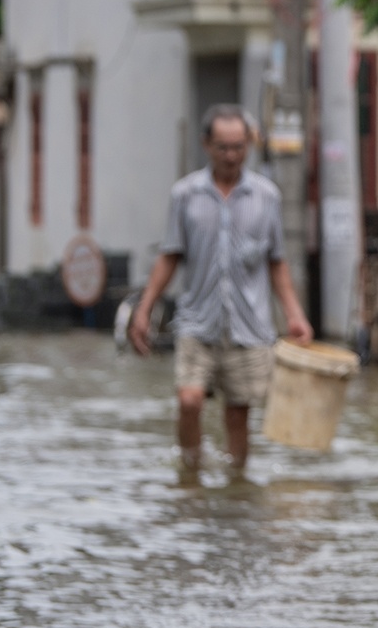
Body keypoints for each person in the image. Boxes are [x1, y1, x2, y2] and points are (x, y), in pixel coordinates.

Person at [128, 104, 311, 474]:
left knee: (238, 415)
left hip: (248, 325)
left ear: (249, 146)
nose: (231, 156)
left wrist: (294, 316)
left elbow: (277, 263)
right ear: (206, 145)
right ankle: (191, 469)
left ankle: (236, 486)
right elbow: (170, 256)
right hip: (198, 321)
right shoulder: (185, 195)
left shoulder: (266, 197)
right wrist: (143, 308)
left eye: (239, 147)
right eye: (224, 148)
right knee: (190, 401)